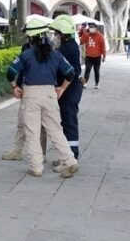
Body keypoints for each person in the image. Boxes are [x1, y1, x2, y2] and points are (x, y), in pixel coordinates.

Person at [6, 29, 80, 178]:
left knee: (33, 132)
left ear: (31, 38)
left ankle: (36, 167)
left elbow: (11, 72)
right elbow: (71, 72)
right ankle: (70, 160)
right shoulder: (55, 54)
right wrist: (62, 88)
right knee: (55, 130)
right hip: (50, 94)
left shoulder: (26, 54)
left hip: (31, 94)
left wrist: (15, 87)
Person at [2, 18, 51, 162]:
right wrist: (17, 85)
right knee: (23, 120)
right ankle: (18, 150)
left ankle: (41, 154)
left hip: (37, 90)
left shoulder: (48, 48)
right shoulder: (27, 47)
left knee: (41, 124)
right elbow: (21, 69)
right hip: (28, 88)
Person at [49, 15, 84, 158]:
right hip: (72, 87)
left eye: (56, 33)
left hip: (69, 88)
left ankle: (71, 156)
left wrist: (62, 87)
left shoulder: (66, 48)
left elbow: (65, 69)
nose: (55, 36)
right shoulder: (70, 45)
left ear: (62, 34)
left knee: (69, 121)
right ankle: (68, 154)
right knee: (67, 121)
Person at [81, 23, 106, 89]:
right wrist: (84, 33)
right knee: (87, 70)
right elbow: (81, 42)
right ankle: (85, 83)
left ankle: (97, 83)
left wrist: (104, 56)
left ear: (95, 28)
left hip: (97, 57)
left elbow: (103, 46)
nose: (91, 28)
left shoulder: (100, 36)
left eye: (92, 27)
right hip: (88, 56)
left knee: (96, 70)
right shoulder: (86, 35)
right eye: (90, 27)